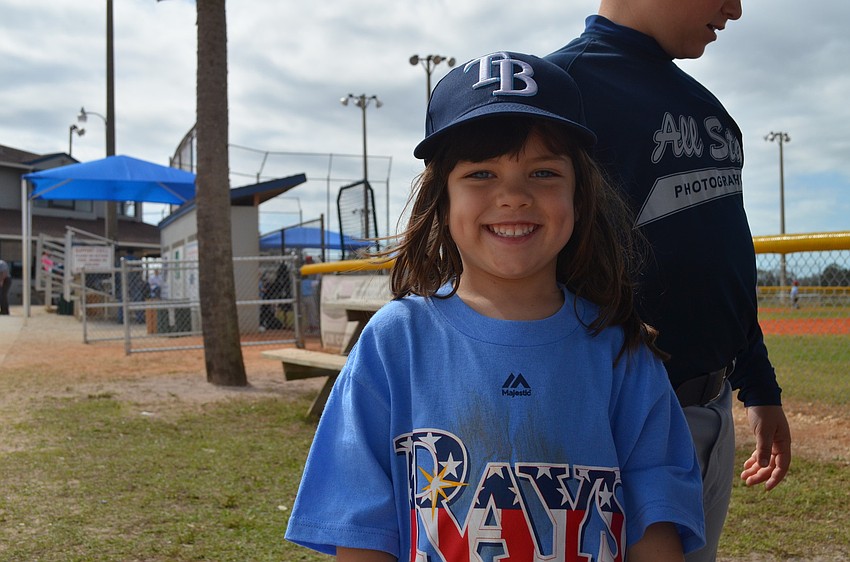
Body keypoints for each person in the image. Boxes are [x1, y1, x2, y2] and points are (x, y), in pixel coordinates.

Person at [285, 51, 705, 562]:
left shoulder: (619, 349)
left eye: (544, 173)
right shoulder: (396, 340)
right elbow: (362, 529)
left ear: (580, 195)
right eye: (481, 174)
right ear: (442, 200)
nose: (513, 196)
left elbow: (654, 524)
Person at [545, 3, 792, 561]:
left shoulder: (709, 110)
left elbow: (720, 265)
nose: (735, 8)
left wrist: (758, 386)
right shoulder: (562, 94)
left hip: (711, 406)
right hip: (607, 422)